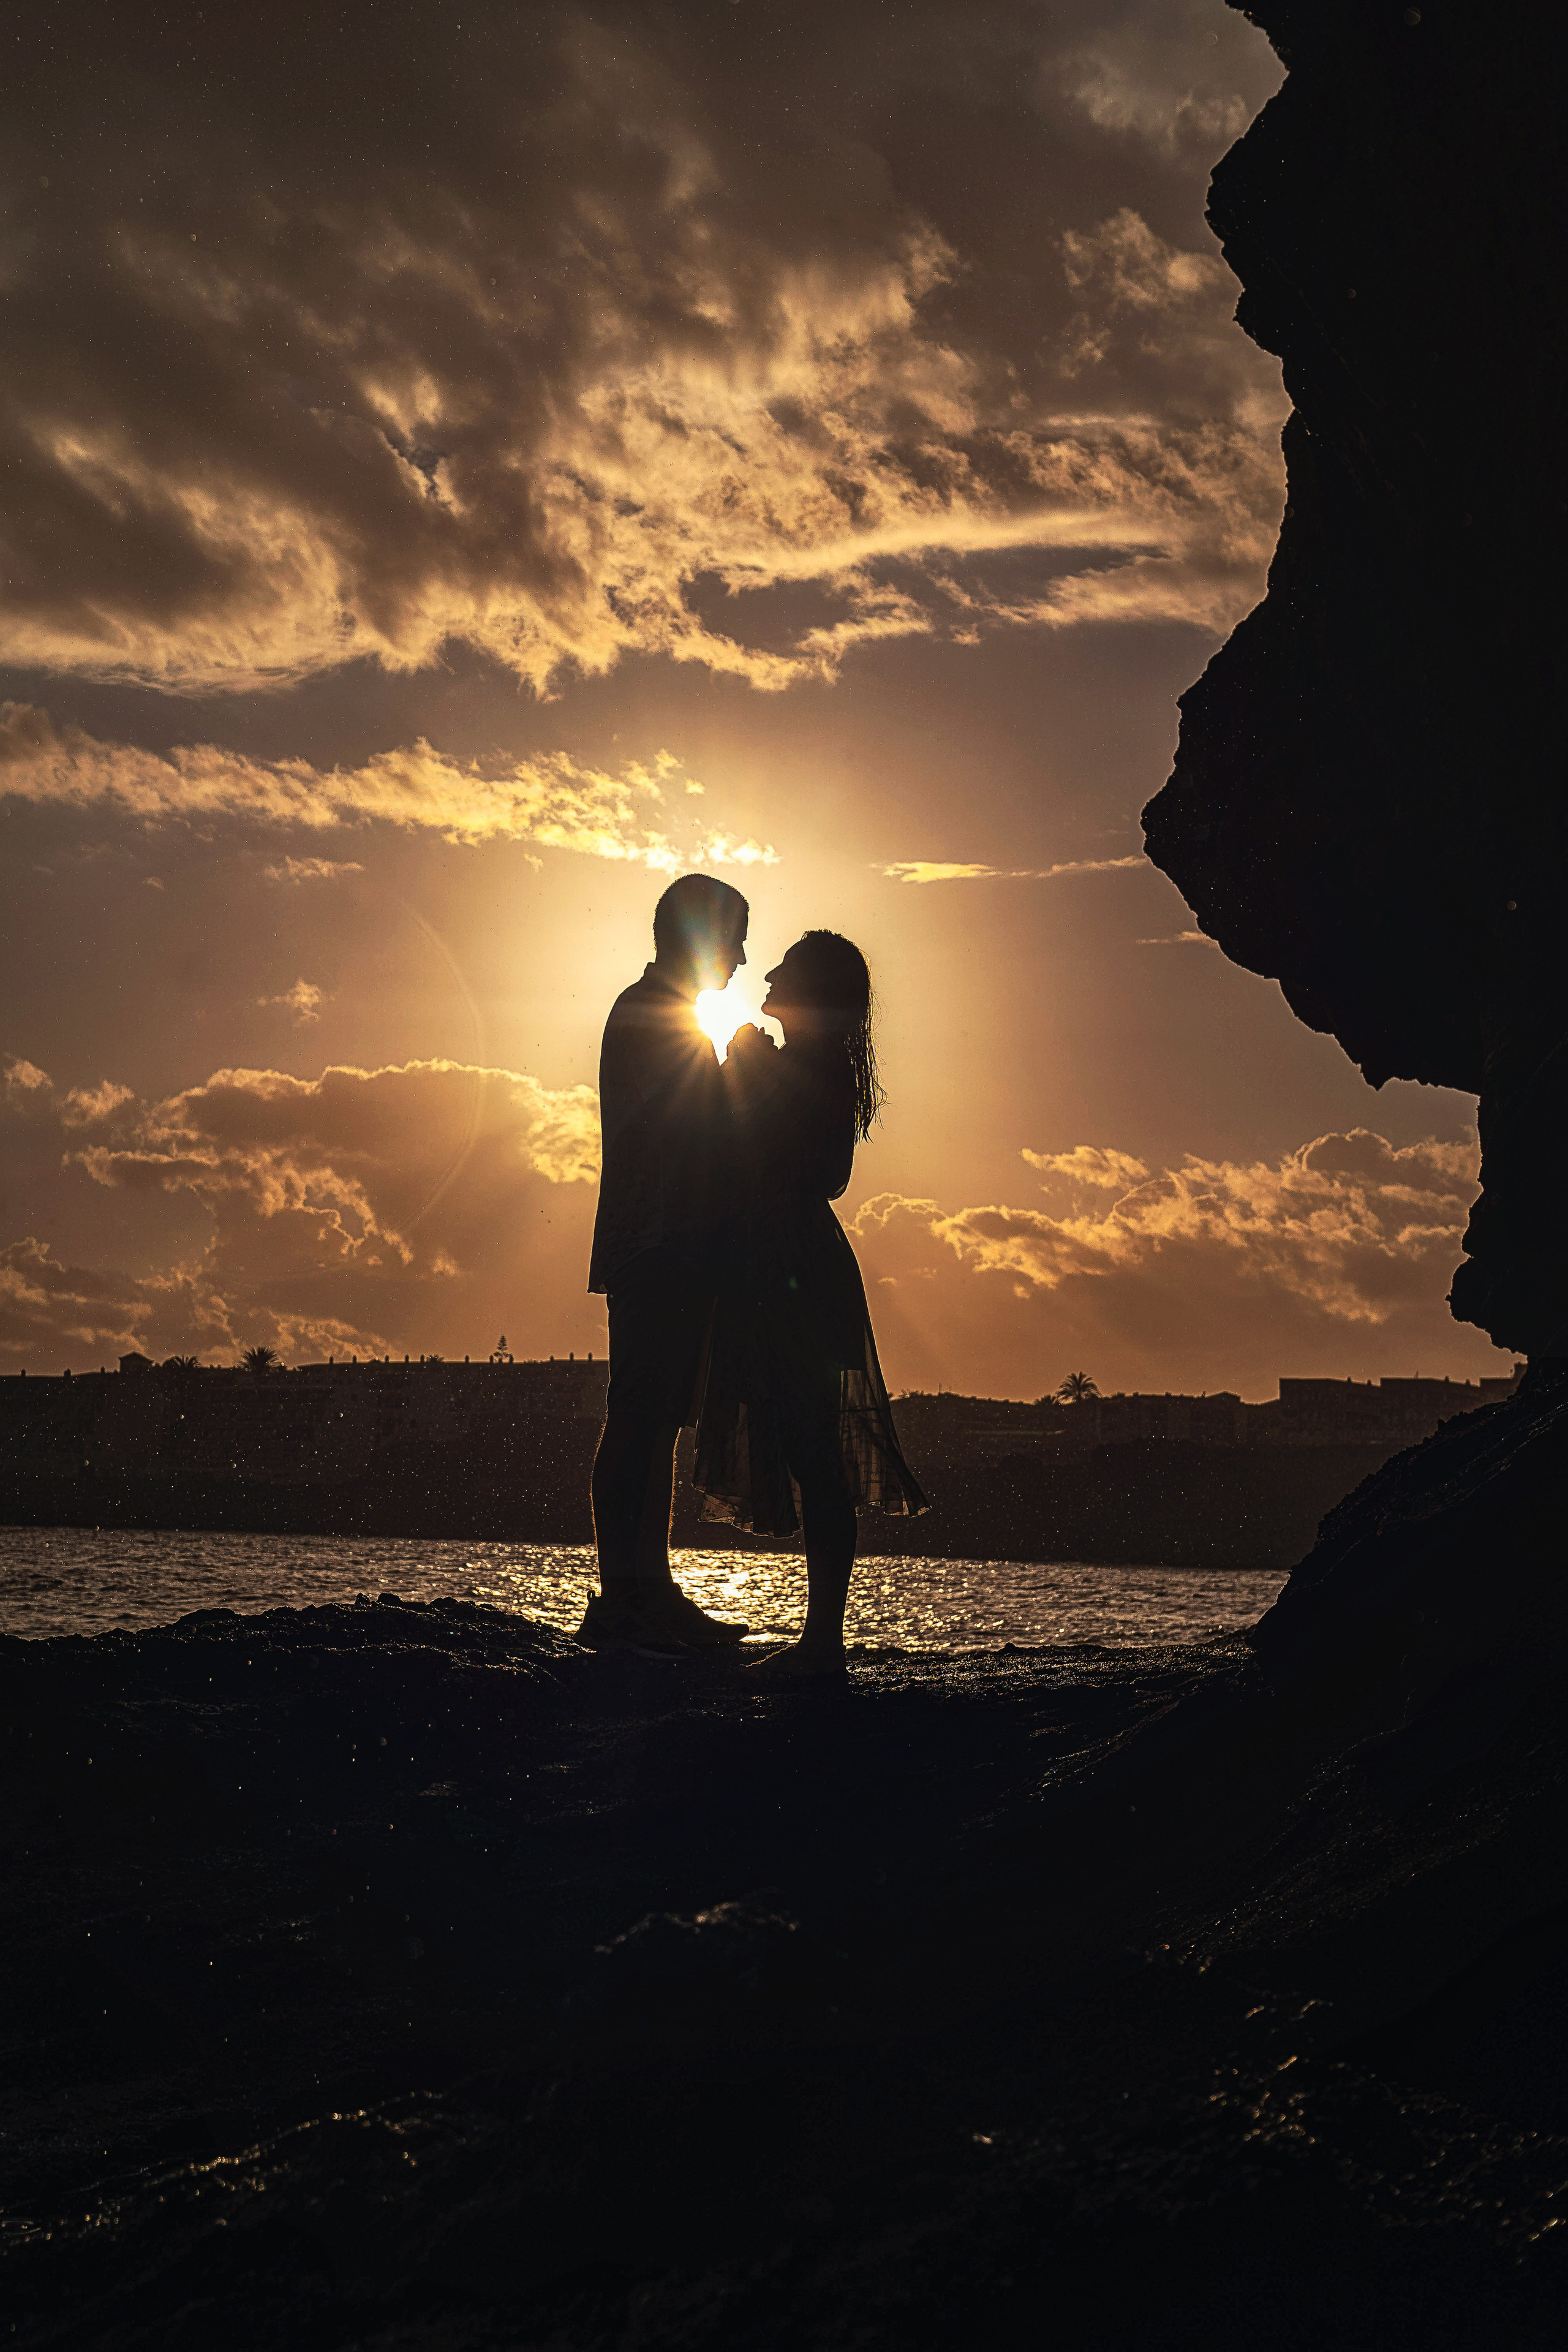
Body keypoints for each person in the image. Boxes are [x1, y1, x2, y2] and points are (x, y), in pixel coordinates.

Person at [693, 929, 927, 1680]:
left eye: (788, 968)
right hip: (779, 1259)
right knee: (804, 1441)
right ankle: (820, 1637)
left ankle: (822, 1642)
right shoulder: (809, 1067)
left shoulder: (811, 1071)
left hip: (790, 1262)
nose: (766, 972)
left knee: (813, 1446)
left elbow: (810, 1171)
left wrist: (749, 1073)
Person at [581, 873, 753, 1652]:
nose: (744, 958)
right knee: (642, 1418)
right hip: (657, 1241)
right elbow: (697, 1132)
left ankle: (643, 1590)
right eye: (736, 938)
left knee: (654, 1422)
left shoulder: (666, 1016)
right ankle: (629, 1596)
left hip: (665, 1242)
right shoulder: (655, 1017)